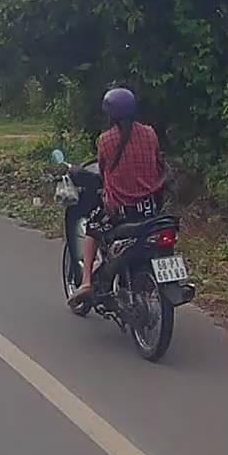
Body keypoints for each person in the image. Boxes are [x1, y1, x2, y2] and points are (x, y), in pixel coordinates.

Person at [68, 87, 169, 306]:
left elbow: (103, 171)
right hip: (150, 208)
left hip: (121, 212)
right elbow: (156, 163)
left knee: (92, 229)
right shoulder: (150, 133)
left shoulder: (106, 140)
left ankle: (86, 282)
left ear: (109, 114)